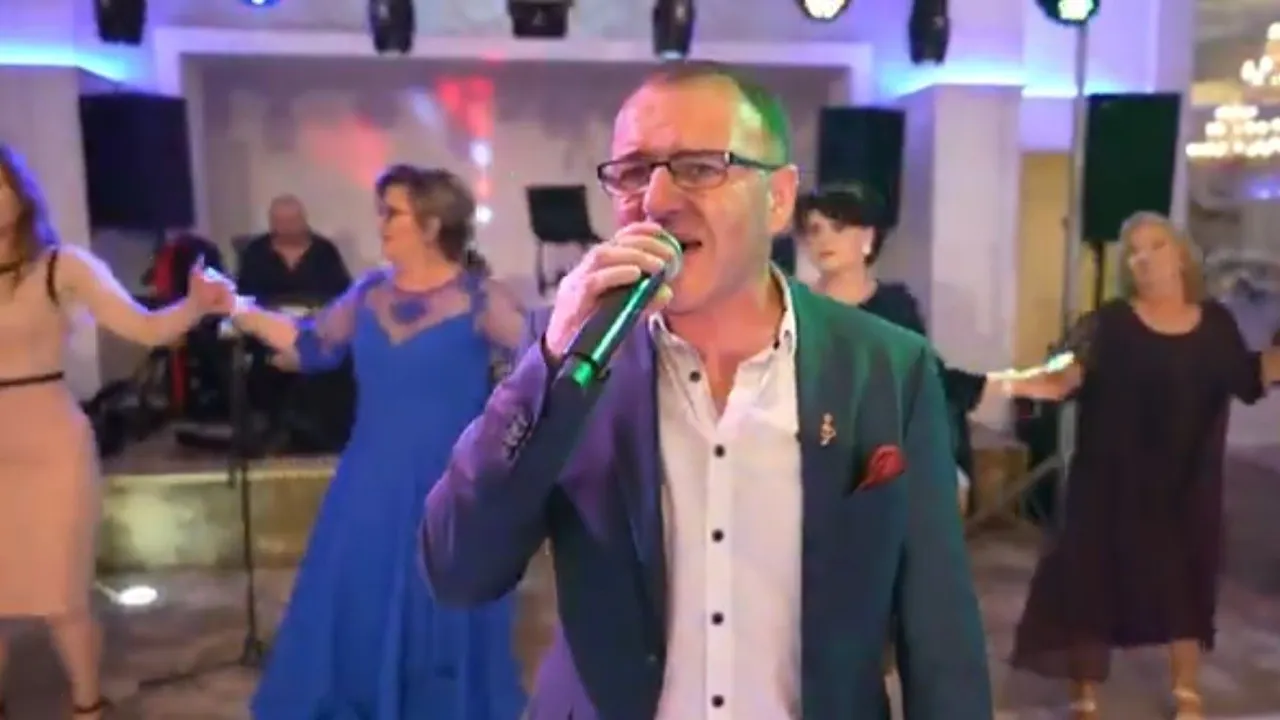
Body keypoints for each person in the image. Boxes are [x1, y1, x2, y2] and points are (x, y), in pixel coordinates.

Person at [422, 62, 992, 719]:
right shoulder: (571, 354)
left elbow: (940, 636)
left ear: (778, 199)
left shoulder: (888, 368)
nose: (657, 199)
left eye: (699, 167)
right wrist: (550, 366)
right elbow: (457, 569)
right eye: (634, 171)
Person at [232, 165, 527, 719]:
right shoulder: (368, 293)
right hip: (368, 484)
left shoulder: (480, 299)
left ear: (431, 224)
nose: (381, 223)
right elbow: (312, 345)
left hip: (450, 490)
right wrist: (236, 309)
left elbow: (546, 358)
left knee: (439, 609)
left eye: (392, 213)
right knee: (358, 601)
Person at [991, 212, 1280, 719]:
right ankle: (1085, 695)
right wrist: (995, 383)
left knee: (1184, 581)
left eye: (1155, 246)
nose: (1143, 258)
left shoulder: (1215, 324)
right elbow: (1061, 377)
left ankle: (1186, 691)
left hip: (1185, 483)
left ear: (1181, 256)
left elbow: (1249, 377)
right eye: (1134, 252)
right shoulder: (1110, 323)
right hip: (1108, 482)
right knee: (1091, 580)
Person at [0, 144, 232, 718]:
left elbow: (146, 329)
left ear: (19, 193)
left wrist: (195, 305)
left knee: (61, 594)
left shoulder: (62, 265)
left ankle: (87, 705)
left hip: (50, 444)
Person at [793, 183, 992, 506]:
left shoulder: (895, 308)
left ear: (867, 238)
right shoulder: (795, 307)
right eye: (815, 230)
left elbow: (928, 384)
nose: (824, 239)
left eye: (838, 228)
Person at [237, 194, 354, 453]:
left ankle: (314, 432)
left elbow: (342, 297)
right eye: (281, 221)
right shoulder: (256, 253)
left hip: (315, 331)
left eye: (293, 220)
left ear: (304, 220)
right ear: (272, 223)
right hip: (266, 335)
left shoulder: (324, 251)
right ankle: (275, 429)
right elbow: (244, 296)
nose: (288, 227)